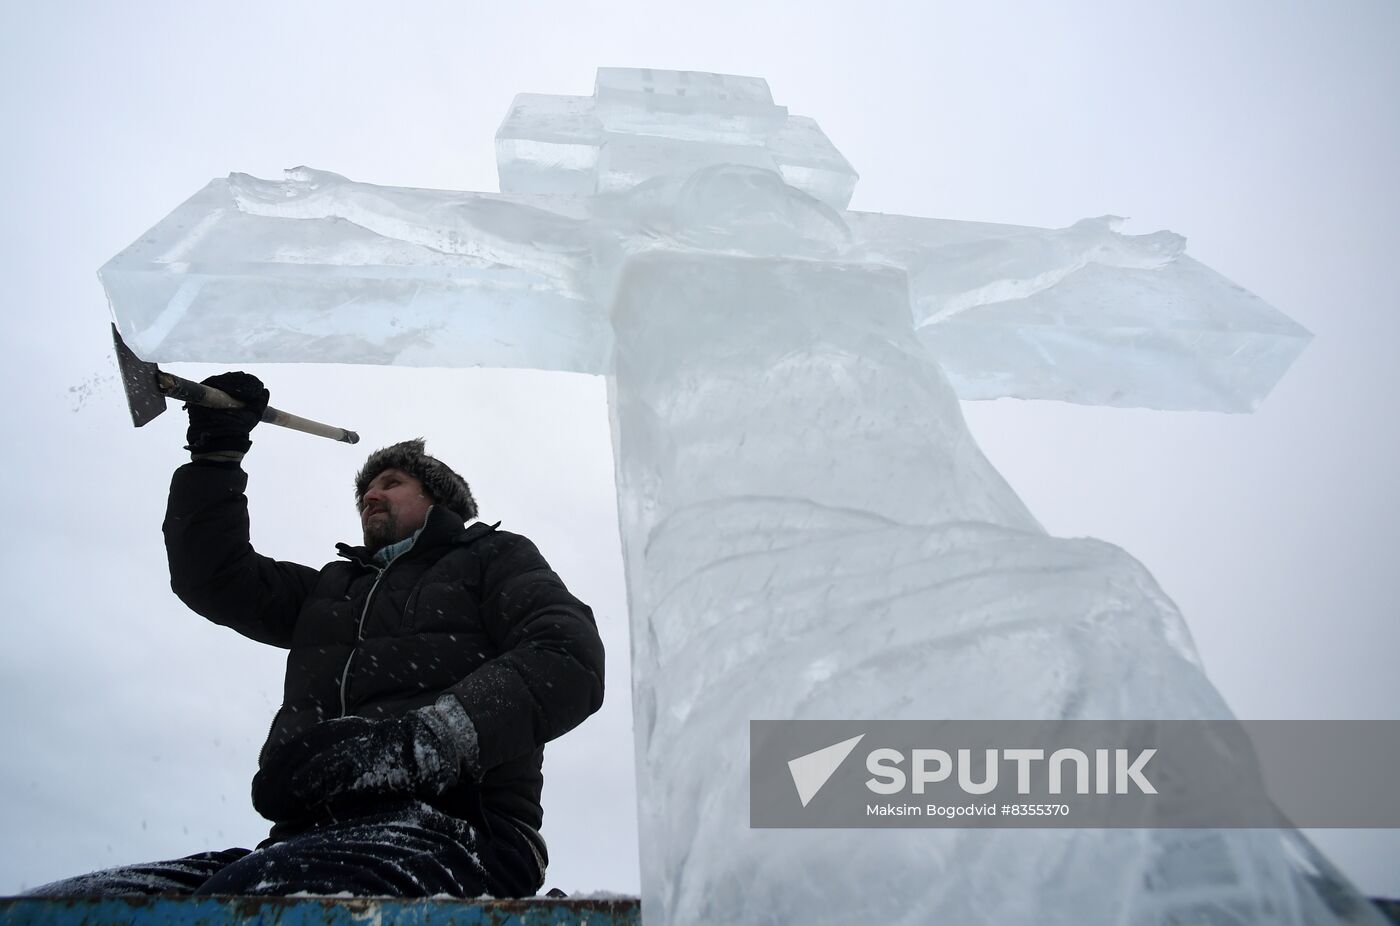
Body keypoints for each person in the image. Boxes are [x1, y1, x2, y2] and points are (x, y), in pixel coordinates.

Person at [28, 372, 605, 898]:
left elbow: (567, 655)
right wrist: (215, 457)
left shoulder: (492, 557)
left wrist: (432, 739)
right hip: (303, 837)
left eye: (391, 481)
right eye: (364, 491)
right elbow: (214, 577)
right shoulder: (329, 592)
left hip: (464, 833)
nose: (370, 495)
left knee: (256, 895)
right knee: (75, 905)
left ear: (438, 497)